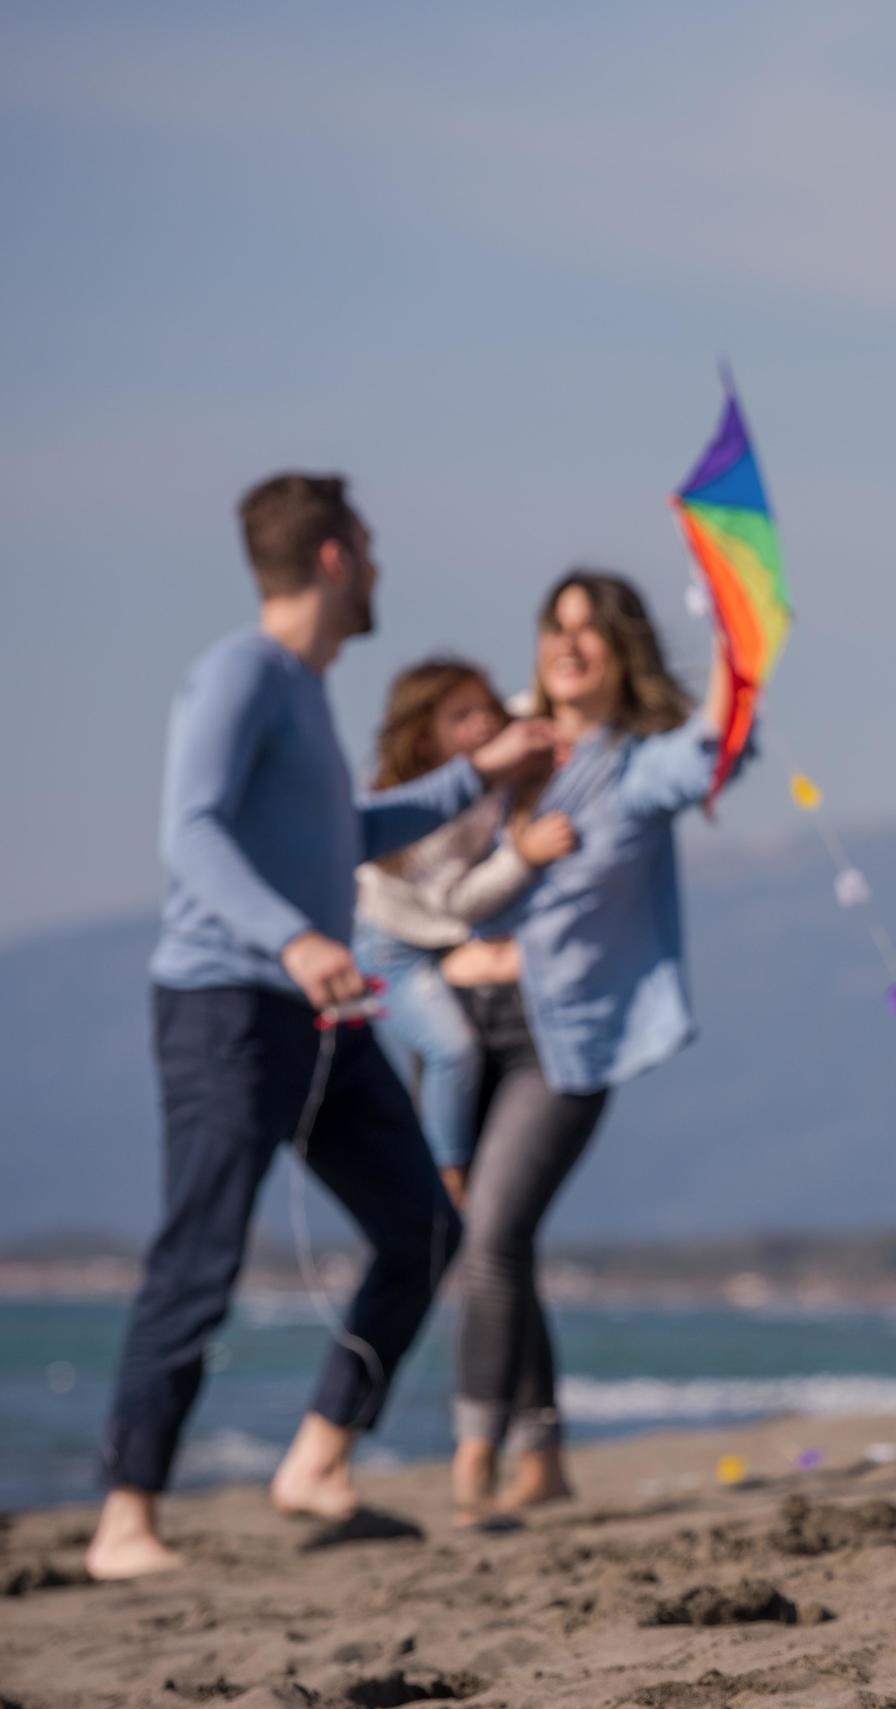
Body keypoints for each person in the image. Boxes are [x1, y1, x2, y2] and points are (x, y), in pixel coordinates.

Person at [90, 474, 556, 1582]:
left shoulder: (302, 690)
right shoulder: (240, 673)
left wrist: (476, 779)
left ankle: (315, 1458)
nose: (383, 569)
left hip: (321, 1012)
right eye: (373, 546)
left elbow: (344, 829)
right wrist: (295, 939)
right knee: (200, 1255)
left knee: (420, 1229)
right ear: (337, 557)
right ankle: (123, 1519)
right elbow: (191, 830)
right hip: (228, 1008)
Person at [447, 570, 748, 1522]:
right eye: (555, 627)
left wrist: (740, 656)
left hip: (564, 1040)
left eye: (592, 632)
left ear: (624, 654)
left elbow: (713, 757)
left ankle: (471, 1463)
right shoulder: (498, 745)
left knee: (490, 1234)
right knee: (501, 1238)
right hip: (453, 1029)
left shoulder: (636, 765)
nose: (569, 645)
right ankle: (546, 1450)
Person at [352, 658, 580, 1207]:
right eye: (460, 717)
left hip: (446, 943)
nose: (481, 723)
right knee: (452, 1050)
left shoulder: (503, 742)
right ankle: (448, 1176)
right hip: (392, 949)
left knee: (452, 1055)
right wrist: (522, 857)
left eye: (486, 706)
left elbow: (536, 702)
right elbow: (458, 900)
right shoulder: (422, 815)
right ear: (426, 742)